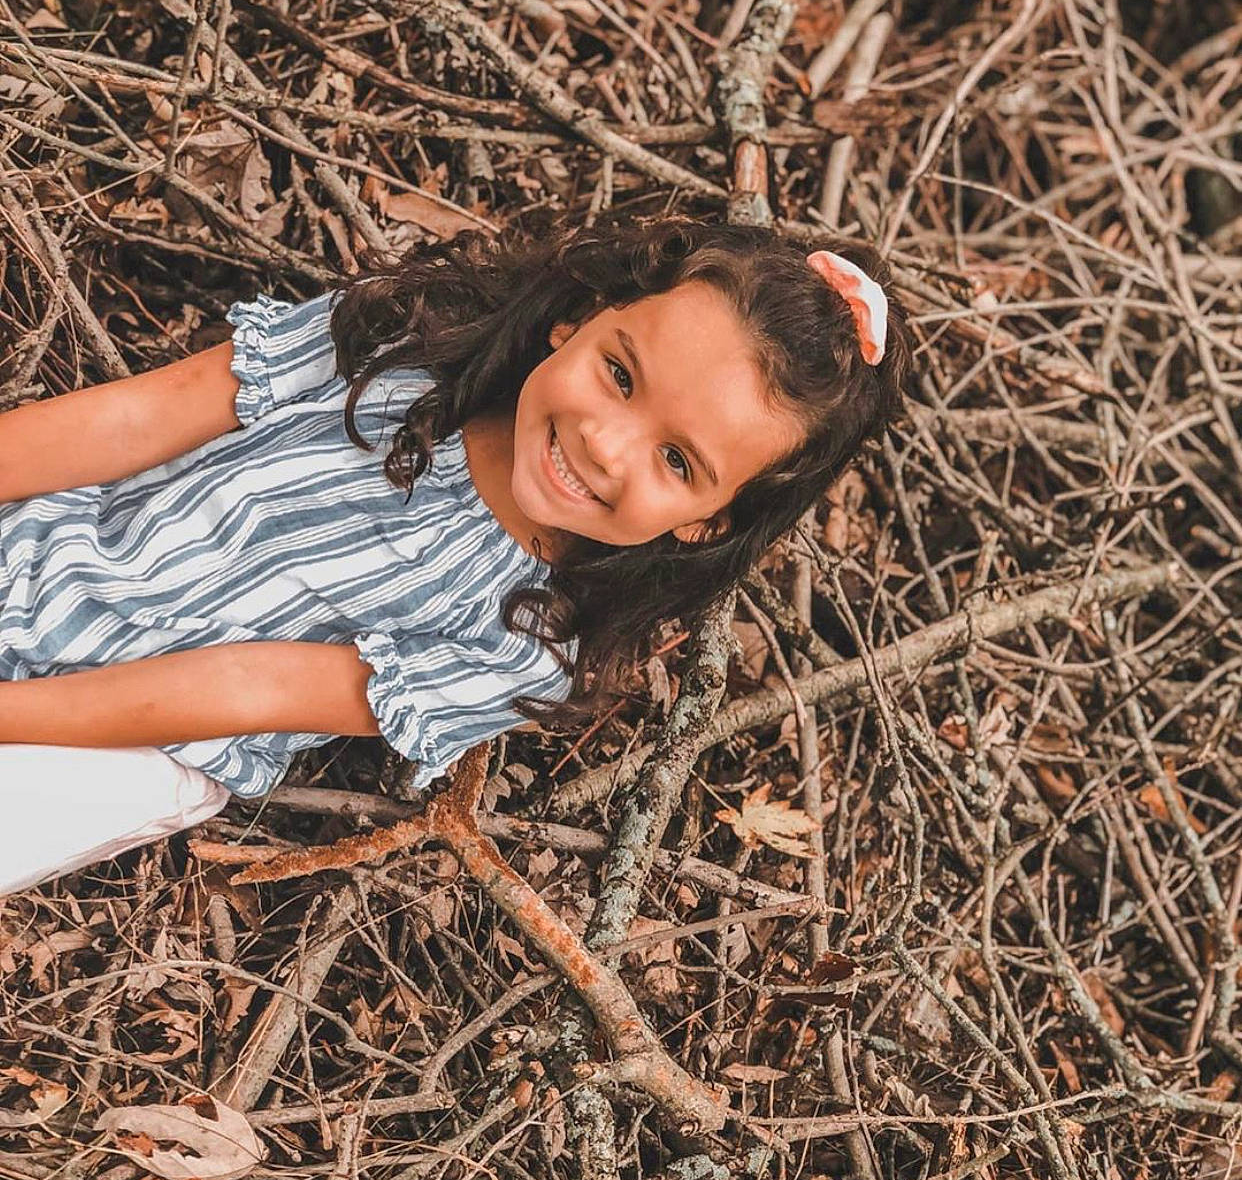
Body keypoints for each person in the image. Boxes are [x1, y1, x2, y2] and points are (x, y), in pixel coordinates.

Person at [0, 216, 912, 893]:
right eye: (620, 375)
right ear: (581, 320)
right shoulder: (400, 347)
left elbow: (249, 686)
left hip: (140, 737)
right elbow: (140, 416)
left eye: (677, 461)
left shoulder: (534, 645)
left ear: (711, 521)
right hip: (58, 549)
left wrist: (9, 714)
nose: (605, 444)